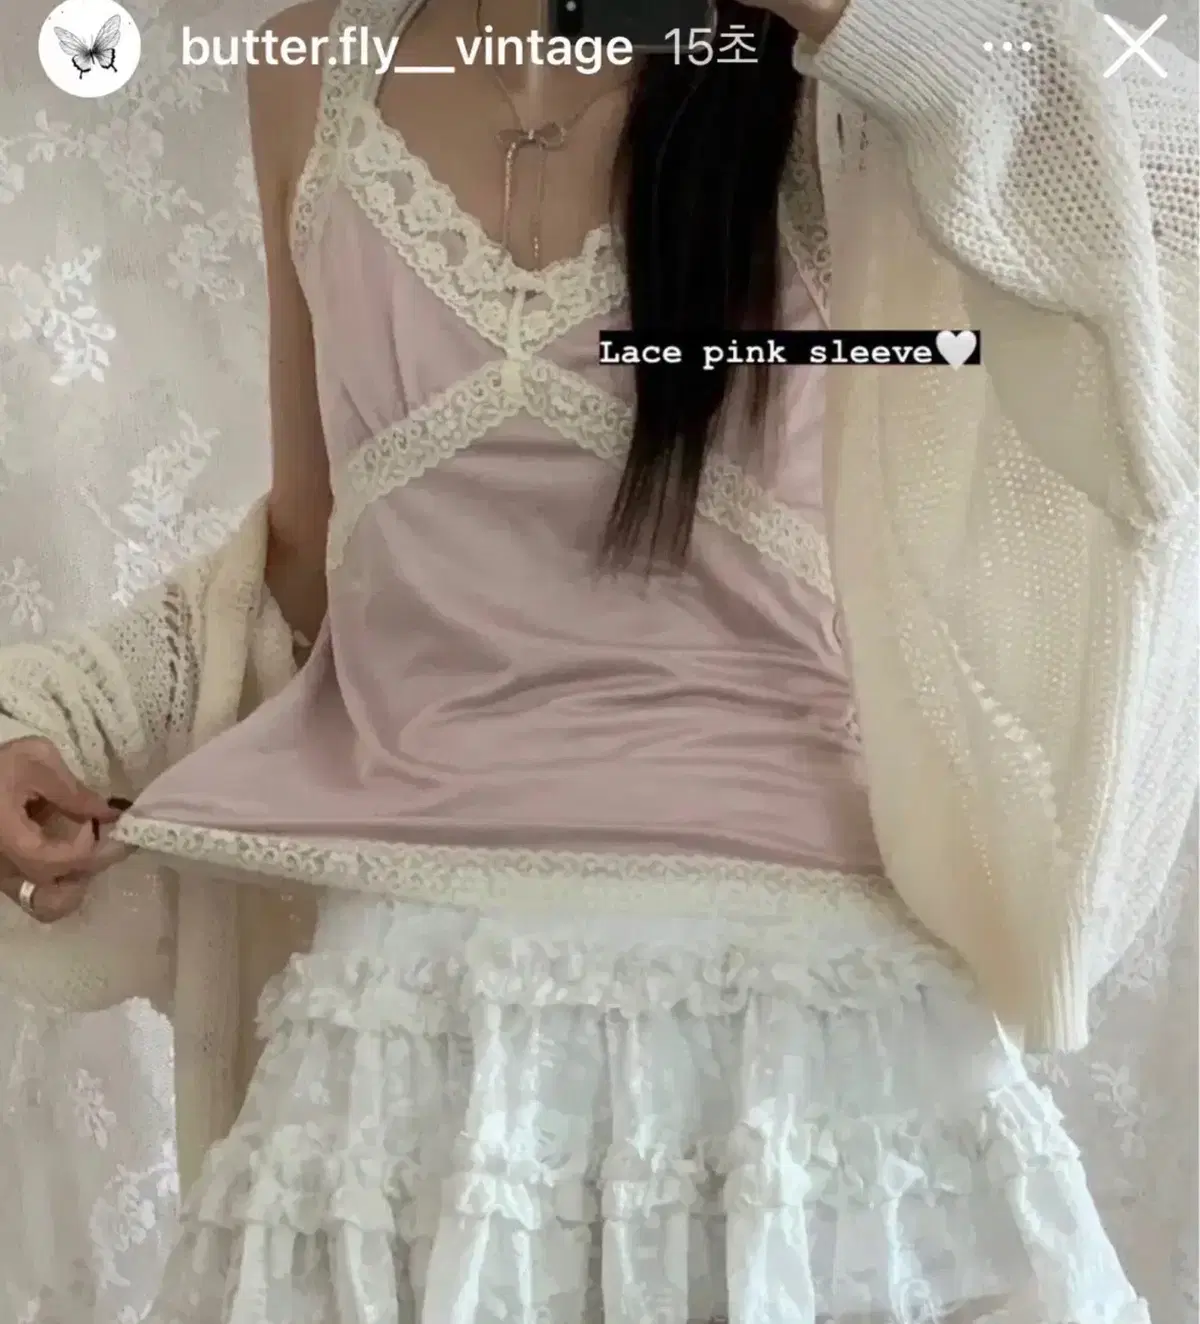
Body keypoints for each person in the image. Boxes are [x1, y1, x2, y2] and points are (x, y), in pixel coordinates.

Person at [0, 0, 1195, 1316]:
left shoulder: (827, 77)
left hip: (809, 1039)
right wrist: (47, 717)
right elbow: (303, 561)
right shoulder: (310, 68)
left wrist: (857, 20)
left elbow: (1171, 196)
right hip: (417, 1035)